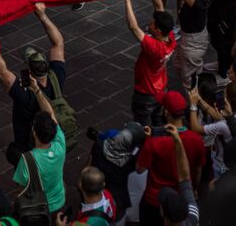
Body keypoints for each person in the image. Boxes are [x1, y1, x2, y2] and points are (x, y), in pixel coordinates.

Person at [0, 3, 66, 167]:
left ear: (29, 71)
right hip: (49, 152)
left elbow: (0, 71)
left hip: (27, 154)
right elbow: (58, 43)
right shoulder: (56, 77)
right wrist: (43, 16)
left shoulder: (24, 95)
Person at [135, 91, 205, 226]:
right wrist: (193, 189)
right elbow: (196, 172)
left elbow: (139, 169)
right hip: (181, 198)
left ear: (166, 112)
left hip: (153, 201)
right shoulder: (197, 140)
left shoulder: (153, 142)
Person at [123, 0, 176, 125]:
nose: (149, 23)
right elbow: (159, 6)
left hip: (146, 93)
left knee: (143, 126)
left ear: (158, 31)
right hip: (161, 90)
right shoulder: (170, 38)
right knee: (158, 119)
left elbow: (134, 28)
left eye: (152, 23)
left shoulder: (153, 47)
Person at [167, 0, 217, 91]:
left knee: (188, 82)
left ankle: (195, 105)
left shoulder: (198, 1)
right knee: (177, 64)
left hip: (192, 43)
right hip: (191, 37)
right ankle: (197, 73)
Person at [13, 94, 67, 219]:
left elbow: (20, 190)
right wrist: (36, 89)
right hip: (59, 204)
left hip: (38, 211)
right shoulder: (60, 142)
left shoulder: (28, 160)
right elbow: (50, 113)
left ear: (34, 132)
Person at [187, 82, 236, 177]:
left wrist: (193, 105)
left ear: (228, 102)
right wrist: (200, 100)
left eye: (224, 96)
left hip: (221, 166)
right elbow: (221, 117)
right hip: (235, 162)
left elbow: (196, 129)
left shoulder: (223, 126)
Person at [88, 122, 146, 224]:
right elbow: (140, 169)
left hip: (95, 190)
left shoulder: (99, 145)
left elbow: (88, 165)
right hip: (117, 199)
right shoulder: (129, 162)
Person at [156, 125, 200, 226]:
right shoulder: (193, 216)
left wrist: (178, 141)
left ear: (162, 212)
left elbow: (185, 178)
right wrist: (178, 141)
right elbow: (185, 178)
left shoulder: (193, 215)